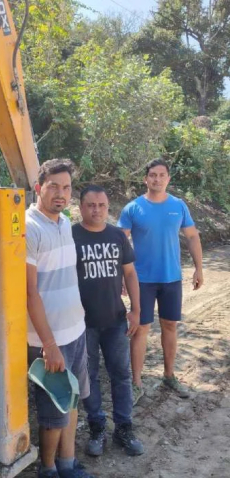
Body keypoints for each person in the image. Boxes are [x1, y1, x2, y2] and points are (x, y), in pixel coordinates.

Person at [25, 158, 92, 478]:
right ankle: (48, 469)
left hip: (75, 332)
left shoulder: (65, 222)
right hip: (48, 340)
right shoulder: (28, 227)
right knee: (53, 413)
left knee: (73, 401)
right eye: (54, 187)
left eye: (66, 188)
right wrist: (49, 345)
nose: (61, 194)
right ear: (38, 188)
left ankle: (68, 464)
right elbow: (30, 293)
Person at [118, 158, 203, 403]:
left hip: (171, 279)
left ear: (168, 179)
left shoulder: (178, 206)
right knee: (140, 329)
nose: (157, 179)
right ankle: (136, 383)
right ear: (146, 179)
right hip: (141, 280)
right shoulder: (133, 208)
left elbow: (192, 237)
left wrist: (199, 269)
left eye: (161, 175)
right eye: (152, 175)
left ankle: (169, 375)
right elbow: (121, 244)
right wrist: (121, 277)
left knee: (170, 326)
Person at [73, 185, 144, 457]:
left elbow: (130, 274)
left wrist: (136, 311)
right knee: (88, 377)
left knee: (121, 376)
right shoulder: (71, 235)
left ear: (107, 206)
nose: (97, 210)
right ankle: (97, 428)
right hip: (82, 323)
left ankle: (124, 428)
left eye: (102, 205)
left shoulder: (116, 235)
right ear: (80, 207)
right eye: (91, 205)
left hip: (115, 320)